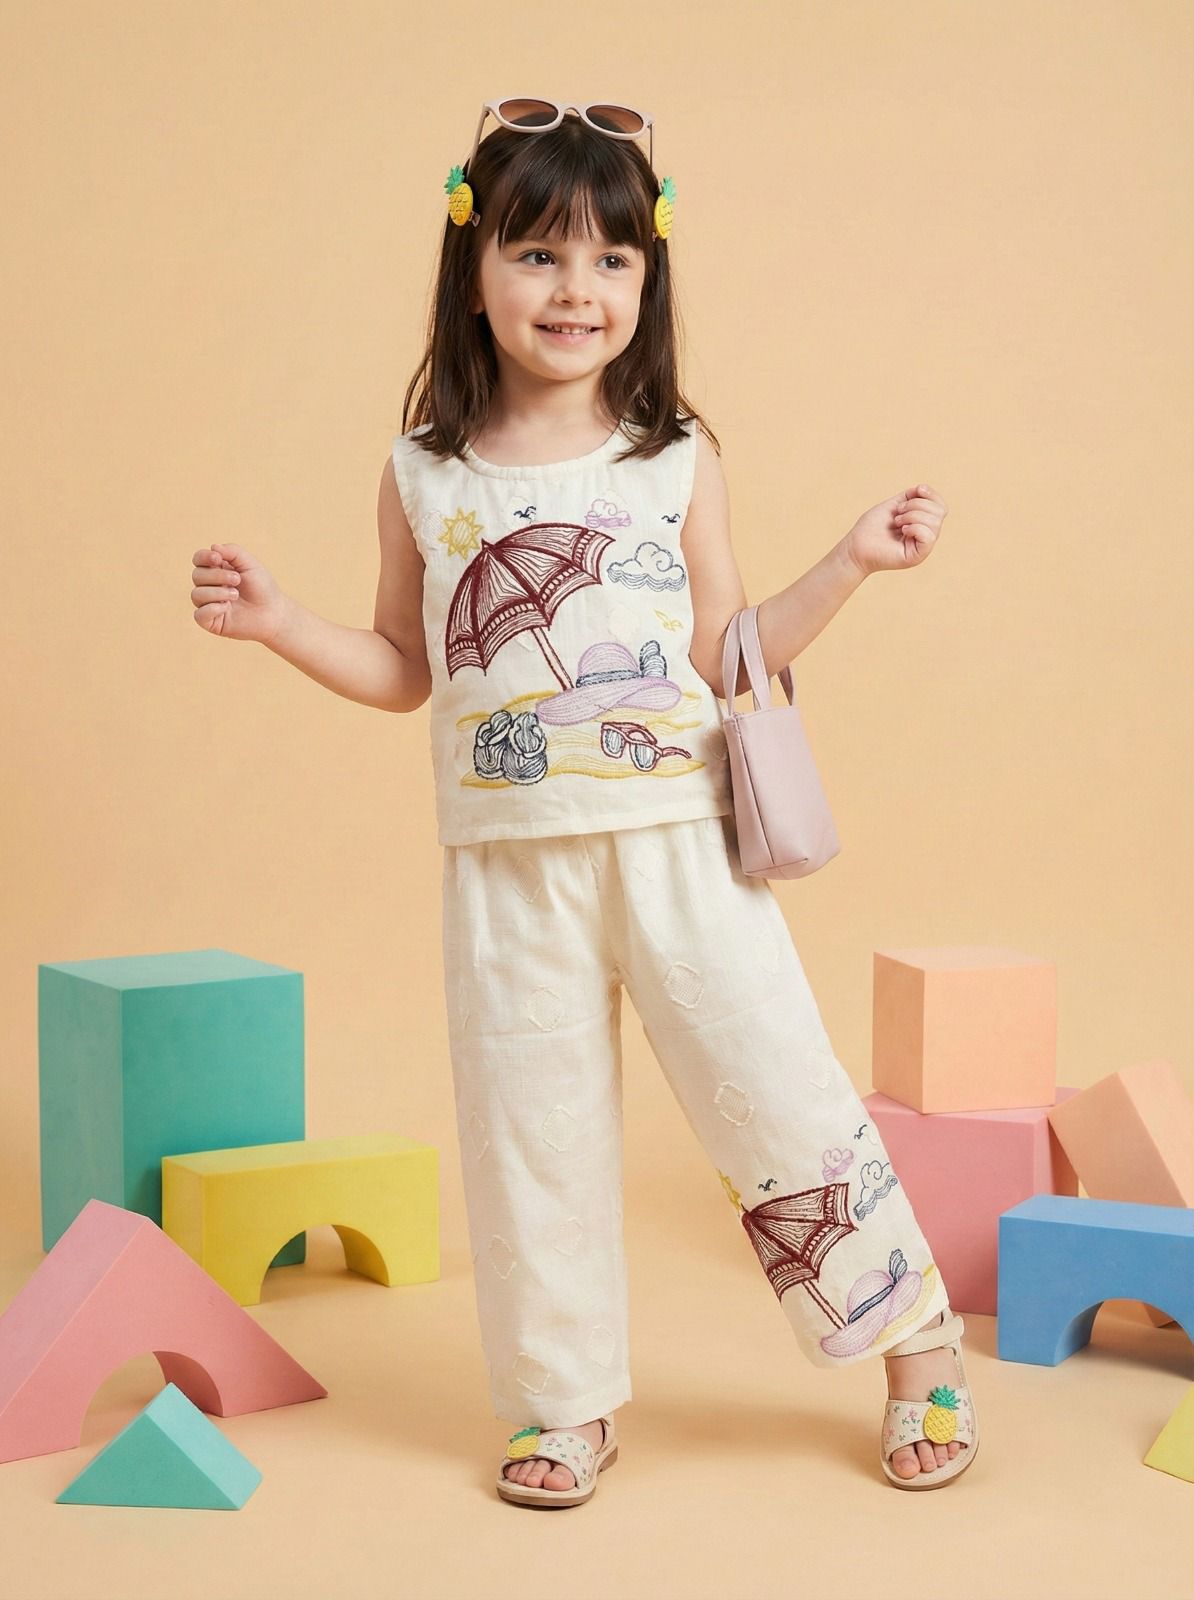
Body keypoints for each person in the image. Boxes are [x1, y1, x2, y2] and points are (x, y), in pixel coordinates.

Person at [188, 98, 975, 1505]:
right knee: (528, 1138)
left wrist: (852, 560)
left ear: (647, 280)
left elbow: (733, 654)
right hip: (507, 865)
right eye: (539, 254)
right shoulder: (422, 473)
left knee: (780, 1099)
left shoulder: (675, 458)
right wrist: (278, 623)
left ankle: (915, 1350)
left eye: (612, 259)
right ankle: (560, 1406)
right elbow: (405, 668)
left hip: (680, 847)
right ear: (473, 270)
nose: (576, 289)